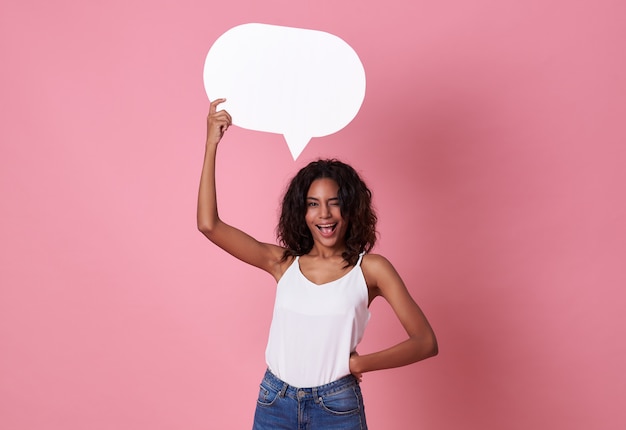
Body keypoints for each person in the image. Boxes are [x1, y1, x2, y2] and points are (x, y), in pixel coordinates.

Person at [197, 99, 438, 430]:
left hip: (336, 406)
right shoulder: (282, 263)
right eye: (313, 205)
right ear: (301, 212)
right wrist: (212, 141)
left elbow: (425, 341)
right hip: (274, 401)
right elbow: (209, 225)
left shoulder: (371, 270)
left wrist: (359, 363)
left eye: (334, 203)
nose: (324, 214)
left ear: (351, 209)